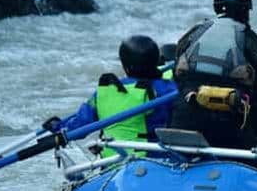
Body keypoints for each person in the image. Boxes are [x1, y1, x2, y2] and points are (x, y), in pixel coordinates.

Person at [170, 0, 257, 148]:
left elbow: (177, 77)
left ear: (216, 7)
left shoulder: (193, 34)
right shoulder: (256, 45)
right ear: (246, 9)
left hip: (184, 120)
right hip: (231, 129)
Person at [49, 35, 178, 157]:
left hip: (115, 162)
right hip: (160, 158)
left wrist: (57, 126)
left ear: (125, 66)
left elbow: (79, 126)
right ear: (156, 61)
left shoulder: (105, 92)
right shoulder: (170, 89)